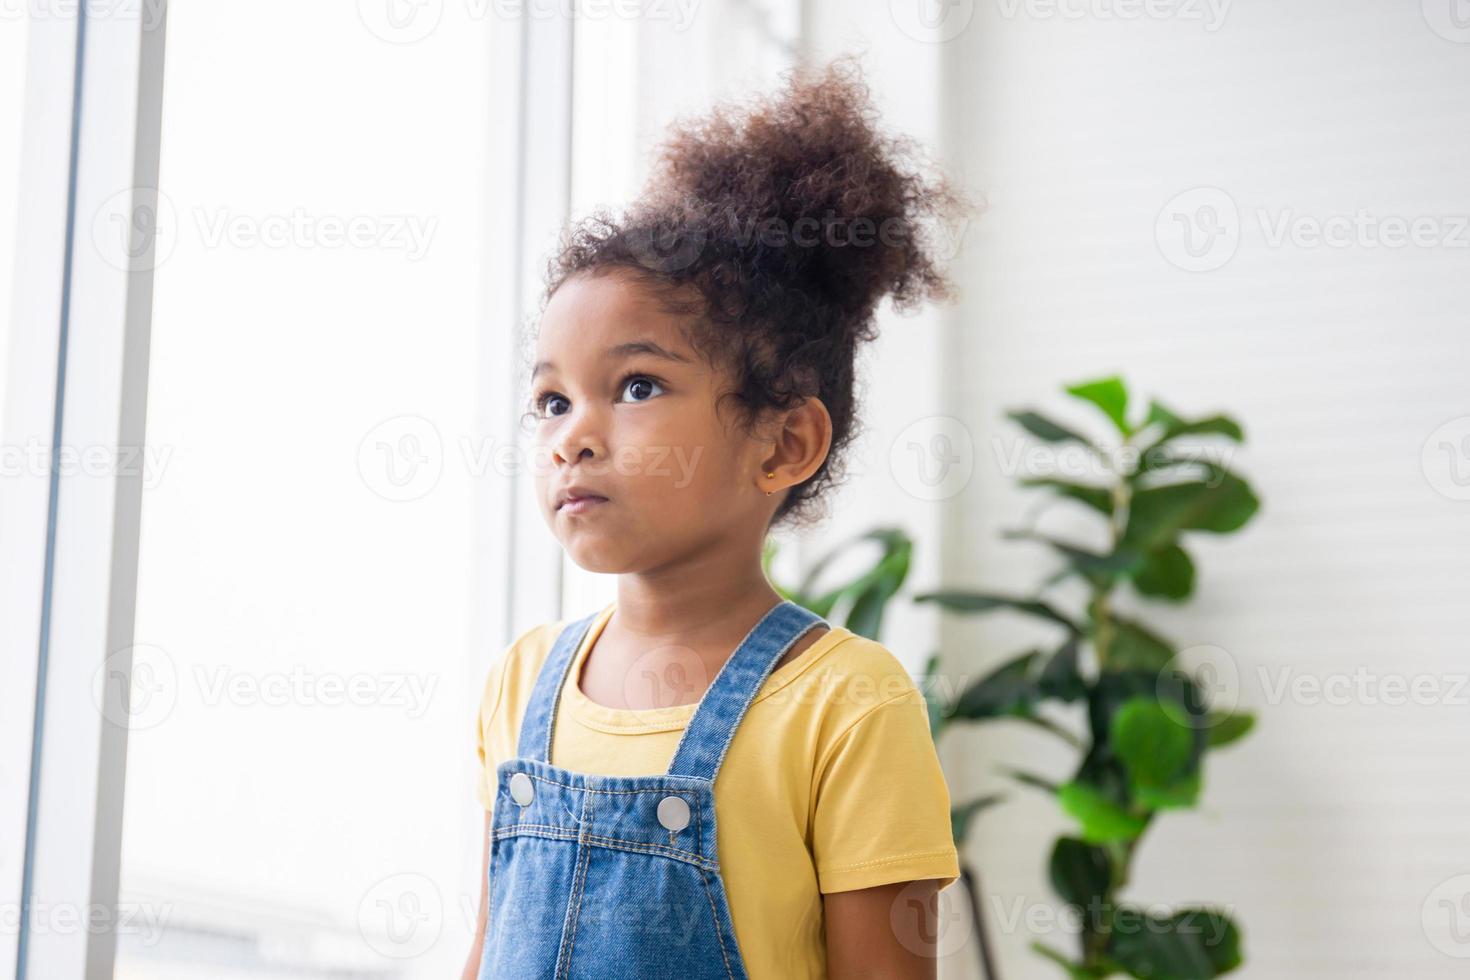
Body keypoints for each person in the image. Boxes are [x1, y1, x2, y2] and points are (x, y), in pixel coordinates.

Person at [464, 52, 974, 979]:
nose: (572, 435)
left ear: (782, 444)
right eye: (551, 399)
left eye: (637, 385)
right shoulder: (520, 682)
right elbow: (487, 949)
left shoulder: (849, 705)